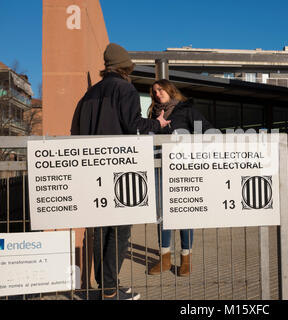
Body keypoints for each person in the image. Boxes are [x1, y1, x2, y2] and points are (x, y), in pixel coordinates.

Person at [71, 43, 171, 300]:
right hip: (120, 171)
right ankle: (109, 292)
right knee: (120, 231)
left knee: (100, 230)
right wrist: (157, 123)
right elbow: (134, 125)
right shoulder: (125, 89)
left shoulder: (89, 94)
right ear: (126, 68)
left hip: (92, 172)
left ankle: (107, 287)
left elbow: (74, 131)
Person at [147, 79, 213, 277]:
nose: (157, 94)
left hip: (181, 168)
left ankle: (186, 258)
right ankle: (165, 258)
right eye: (154, 91)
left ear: (170, 90)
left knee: (183, 212)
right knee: (162, 214)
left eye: (160, 90)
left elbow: (208, 131)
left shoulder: (186, 109)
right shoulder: (153, 113)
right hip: (158, 167)